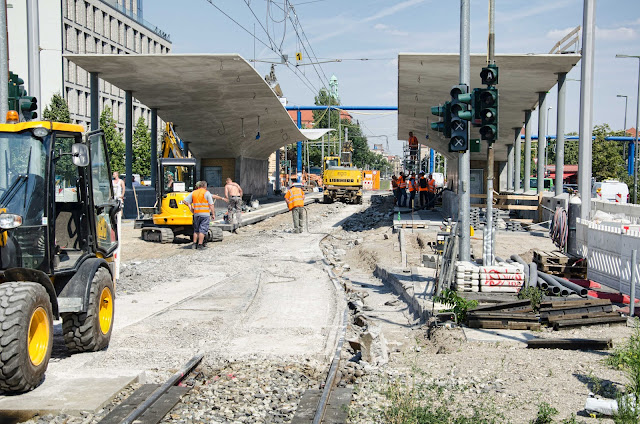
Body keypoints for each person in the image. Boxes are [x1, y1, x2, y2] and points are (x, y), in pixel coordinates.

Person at [183, 181, 225, 249]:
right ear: (205, 187)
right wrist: (213, 214)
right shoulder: (206, 193)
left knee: (196, 230)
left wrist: (189, 206)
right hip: (205, 214)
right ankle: (200, 245)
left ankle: (194, 244)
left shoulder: (194, 192)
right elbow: (211, 205)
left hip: (196, 214)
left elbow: (185, 201)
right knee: (202, 230)